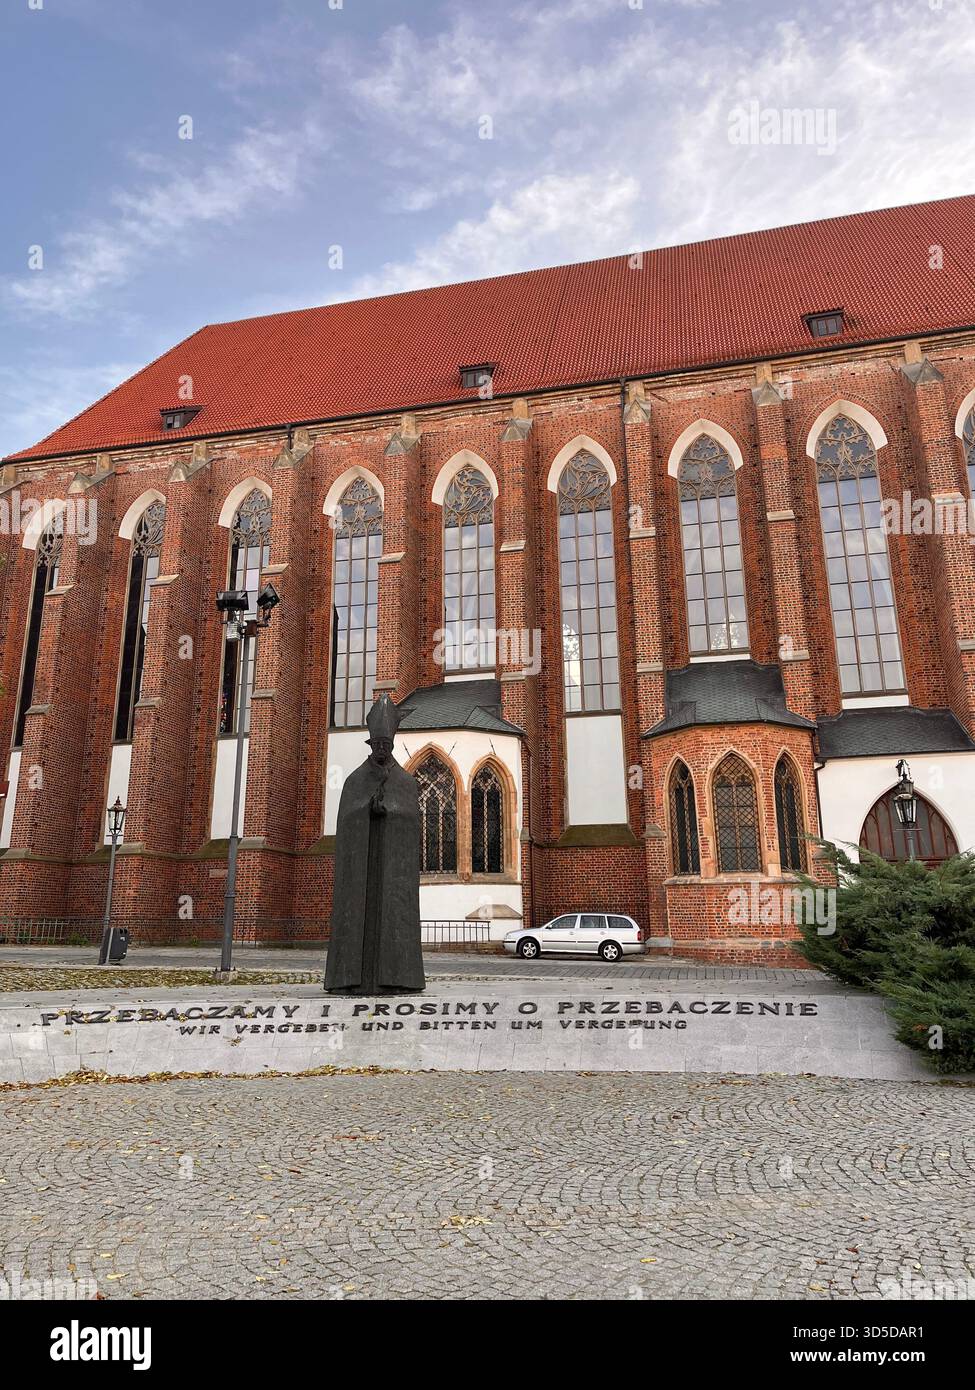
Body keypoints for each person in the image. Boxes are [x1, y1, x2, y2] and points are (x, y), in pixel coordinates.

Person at [324, 693, 425, 994]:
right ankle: (350, 979)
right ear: (370, 744)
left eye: (387, 745)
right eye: (378, 745)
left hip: (393, 873)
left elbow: (412, 819)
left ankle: (397, 978)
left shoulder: (406, 783)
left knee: (395, 919)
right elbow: (345, 821)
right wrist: (366, 811)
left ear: (392, 745)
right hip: (361, 874)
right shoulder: (355, 780)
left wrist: (390, 812)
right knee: (357, 921)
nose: (382, 749)